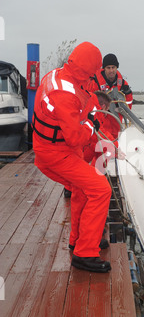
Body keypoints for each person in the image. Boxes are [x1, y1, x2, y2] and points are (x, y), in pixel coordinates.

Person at [32, 41, 112, 273]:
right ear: (89, 68)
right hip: (56, 153)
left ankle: (80, 239)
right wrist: (91, 123)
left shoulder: (58, 74)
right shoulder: (65, 93)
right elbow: (76, 137)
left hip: (54, 147)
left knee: (81, 189)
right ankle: (85, 254)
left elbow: (77, 106)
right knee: (101, 189)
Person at [88, 53, 133, 123]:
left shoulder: (123, 85)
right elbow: (88, 104)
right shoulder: (94, 83)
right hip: (99, 123)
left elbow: (128, 106)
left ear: (116, 67)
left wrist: (127, 93)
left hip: (117, 123)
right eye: (108, 68)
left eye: (113, 67)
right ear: (104, 68)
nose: (111, 70)